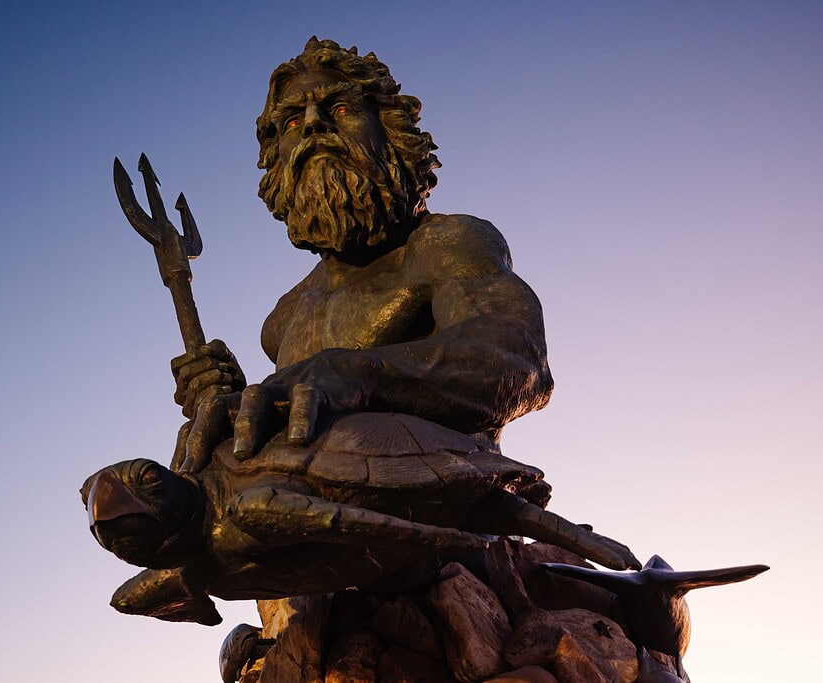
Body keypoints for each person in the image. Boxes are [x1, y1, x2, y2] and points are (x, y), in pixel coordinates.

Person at [170, 37, 553, 474]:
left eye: (340, 111)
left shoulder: (444, 244)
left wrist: (352, 373)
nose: (314, 126)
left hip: (438, 501)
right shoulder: (283, 319)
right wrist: (235, 407)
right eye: (293, 122)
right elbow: (304, 427)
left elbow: (517, 364)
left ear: (390, 131)